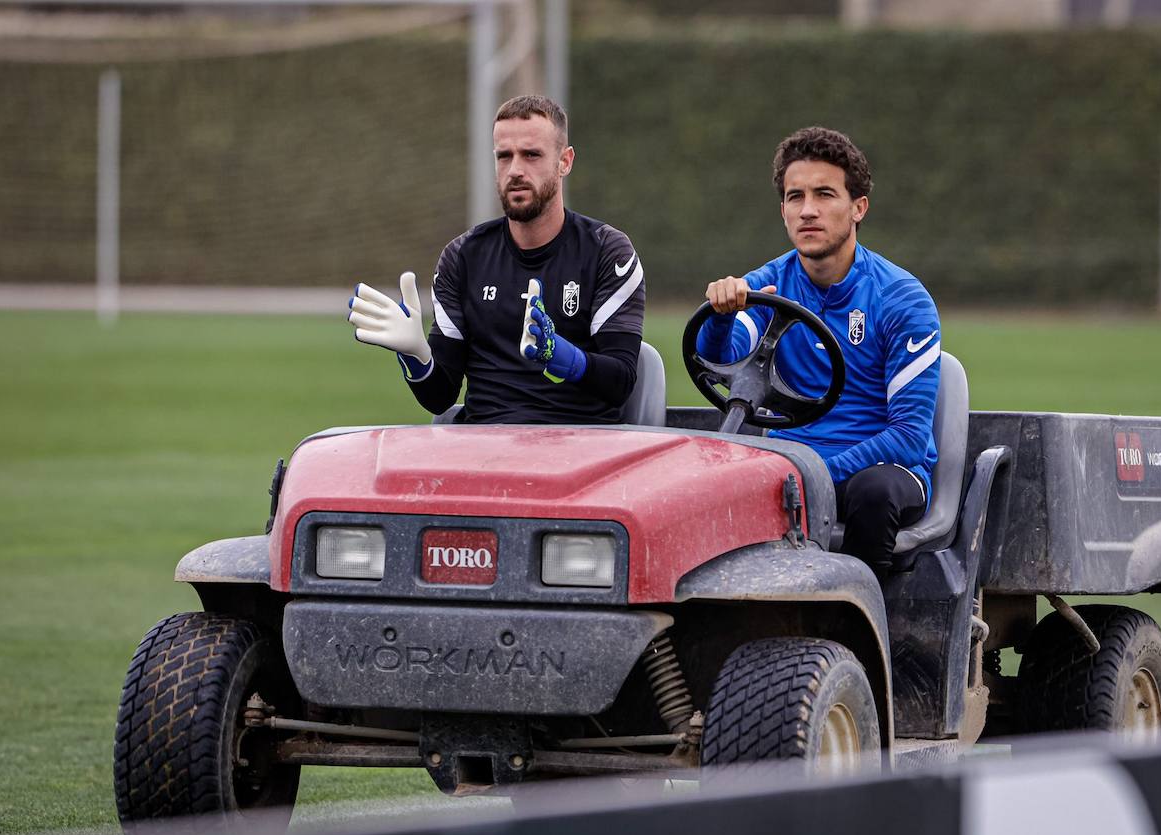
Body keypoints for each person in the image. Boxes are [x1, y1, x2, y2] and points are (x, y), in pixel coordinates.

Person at [697, 126, 941, 579]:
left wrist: (815, 471)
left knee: (874, 492)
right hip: (793, 466)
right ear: (783, 210)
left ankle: (869, 625)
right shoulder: (767, 286)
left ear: (858, 208)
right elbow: (724, 361)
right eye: (795, 197)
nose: (808, 210)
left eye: (825, 194)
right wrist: (721, 314)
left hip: (881, 471)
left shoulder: (902, 298)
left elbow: (909, 436)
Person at [348, 95, 646, 424]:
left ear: (565, 161)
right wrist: (416, 357)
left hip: (583, 452)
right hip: (484, 452)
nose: (515, 170)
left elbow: (621, 381)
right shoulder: (462, 257)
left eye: (531, 155)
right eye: (504, 156)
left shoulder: (607, 251)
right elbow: (440, 398)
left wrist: (560, 356)